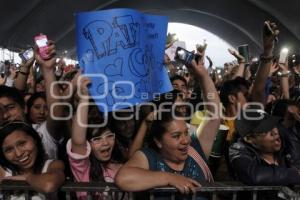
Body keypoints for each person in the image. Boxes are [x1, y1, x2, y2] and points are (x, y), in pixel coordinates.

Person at [116, 58, 220, 199]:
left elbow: (214, 115)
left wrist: (203, 75)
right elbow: (123, 178)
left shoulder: (196, 148)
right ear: (158, 141)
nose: (185, 140)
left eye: (185, 133)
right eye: (176, 136)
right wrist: (169, 178)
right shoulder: (149, 157)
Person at [67, 77, 124, 200]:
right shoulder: (83, 169)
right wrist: (84, 99)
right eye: (97, 139)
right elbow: (78, 141)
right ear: (87, 143)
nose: (105, 143)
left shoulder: (124, 169)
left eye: (109, 136)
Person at [229, 109, 300, 199]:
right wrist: (292, 174)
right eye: (265, 130)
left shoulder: (286, 142)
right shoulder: (238, 149)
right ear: (249, 138)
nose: (274, 132)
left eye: (273, 125)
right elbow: (253, 175)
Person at [0, 121, 65, 200]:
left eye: (22, 143)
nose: (18, 153)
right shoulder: (3, 171)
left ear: (35, 139)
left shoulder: (52, 165)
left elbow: (48, 185)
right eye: (9, 150)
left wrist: (27, 177)